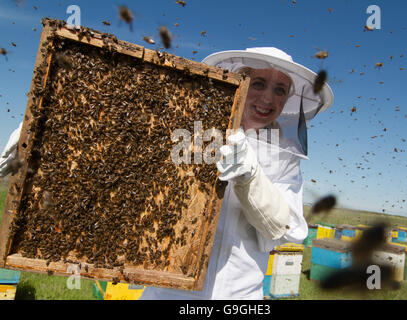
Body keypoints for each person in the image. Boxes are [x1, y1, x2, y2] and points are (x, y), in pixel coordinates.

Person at [0, 47, 333, 300]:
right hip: (165, 294)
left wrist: (249, 176)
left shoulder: (285, 159)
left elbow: (287, 230)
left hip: (238, 298)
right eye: (258, 82)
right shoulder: (189, 132)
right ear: (240, 82)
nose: (267, 98)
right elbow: (119, 158)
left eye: (280, 90)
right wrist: (46, 133)